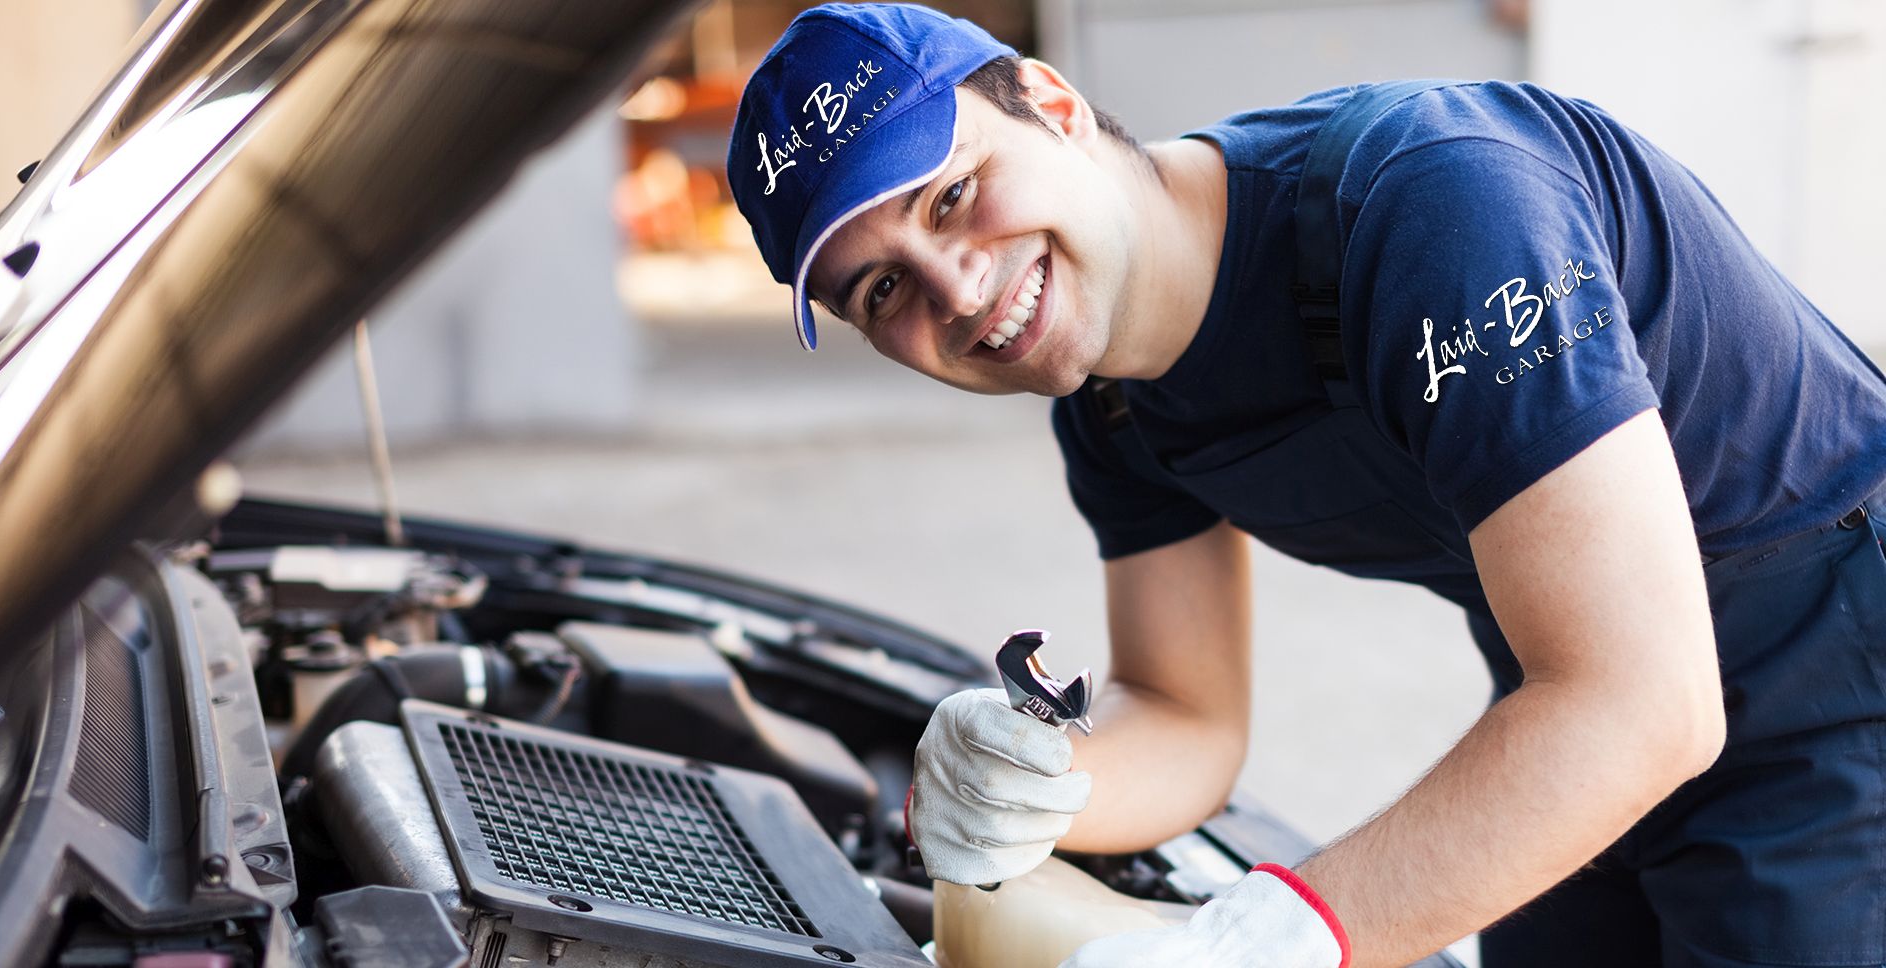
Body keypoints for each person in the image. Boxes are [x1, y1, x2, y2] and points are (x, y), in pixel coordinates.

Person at [724, 5, 1886, 967]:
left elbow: (1644, 701)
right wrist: (1036, 783)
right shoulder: (1113, 400)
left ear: (1056, 105)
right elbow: (1187, 714)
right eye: (881, 291)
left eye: (953, 193)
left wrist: (1264, 937)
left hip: (1838, 686)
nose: (959, 291)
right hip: (1574, 699)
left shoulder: (1433, 205)